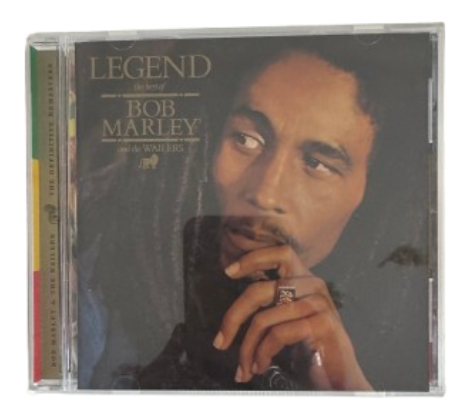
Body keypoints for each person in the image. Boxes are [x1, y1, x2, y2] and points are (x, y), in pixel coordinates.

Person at [80, 36, 430, 391]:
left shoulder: (411, 347)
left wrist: (347, 387)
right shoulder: (93, 306)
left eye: (316, 164)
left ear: (367, 195)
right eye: (246, 140)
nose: (265, 193)